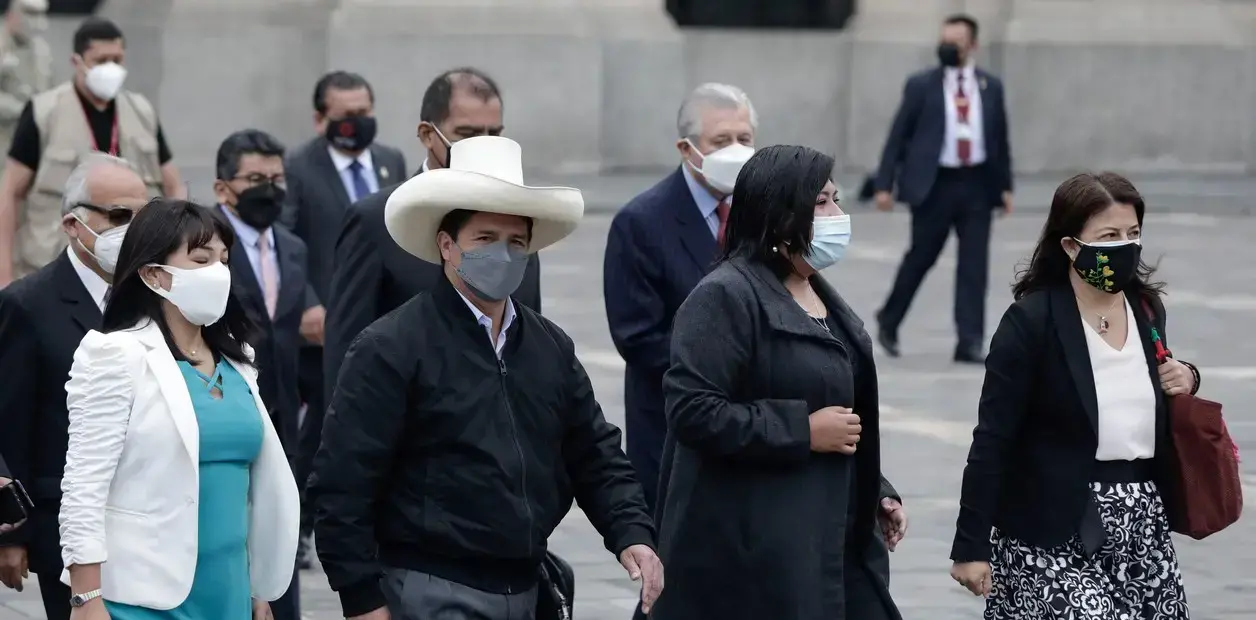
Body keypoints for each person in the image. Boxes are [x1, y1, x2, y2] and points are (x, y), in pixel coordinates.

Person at [310, 136, 662, 620]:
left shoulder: (548, 347)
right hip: (432, 587)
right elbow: (342, 481)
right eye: (485, 239)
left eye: (517, 242)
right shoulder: (391, 347)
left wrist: (632, 534)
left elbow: (594, 451)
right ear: (446, 245)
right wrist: (361, 598)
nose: (504, 254)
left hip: (527, 586)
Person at [652, 145, 906, 620]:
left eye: (838, 200)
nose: (838, 215)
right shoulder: (724, 297)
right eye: (822, 204)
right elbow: (693, 411)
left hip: (834, 537)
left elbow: (839, 411)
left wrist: (877, 490)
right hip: (757, 550)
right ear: (780, 215)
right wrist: (801, 431)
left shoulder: (818, 292)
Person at [949, 172, 1199, 619]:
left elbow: (1155, 383)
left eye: (1133, 233)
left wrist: (1188, 376)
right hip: (1050, 522)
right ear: (1070, 246)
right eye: (1109, 235)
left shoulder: (1145, 309)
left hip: (1140, 519)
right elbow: (993, 439)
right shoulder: (1030, 323)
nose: (1125, 246)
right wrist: (970, 544)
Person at [59, 198, 299, 619]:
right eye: (201, 259)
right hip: (143, 597)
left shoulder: (239, 361)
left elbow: (252, 485)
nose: (218, 272)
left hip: (229, 590)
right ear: (153, 274)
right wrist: (85, 597)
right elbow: (84, 485)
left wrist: (259, 589)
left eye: (224, 260)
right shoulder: (115, 353)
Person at [323, 67, 541, 404]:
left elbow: (531, 341)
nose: (481, 148)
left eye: (492, 135)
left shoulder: (518, 221)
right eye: (467, 135)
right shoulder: (376, 221)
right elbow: (345, 357)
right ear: (428, 134)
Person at [0, 153, 147, 619]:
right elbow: (9, 423)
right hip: (63, 525)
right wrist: (11, 534)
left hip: (149, 517)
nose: (135, 230)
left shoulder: (157, 296)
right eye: (121, 217)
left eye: (145, 217)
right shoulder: (27, 305)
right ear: (72, 223)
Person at [603, 82, 756, 517]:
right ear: (687, 149)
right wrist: (727, 368)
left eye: (744, 139)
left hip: (756, 434)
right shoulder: (641, 222)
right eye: (721, 141)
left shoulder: (766, 216)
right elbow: (637, 337)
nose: (736, 150)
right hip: (675, 430)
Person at [278, 70, 406, 568]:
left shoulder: (391, 162)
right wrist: (307, 302)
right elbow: (288, 243)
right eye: (346, 116)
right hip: (323, 325)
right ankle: (303, 522)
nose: (357, 124)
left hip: (386, 321)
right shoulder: (297, 168)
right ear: (320, 118)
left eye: (365, 113)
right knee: (318, 429)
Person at [0, 17, 184, 287]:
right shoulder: (44, 112)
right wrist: (4, 273)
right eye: (101, 61)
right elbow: (10, 193)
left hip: (132, 270)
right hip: (53, 268)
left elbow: (174, 187)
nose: (111, 68)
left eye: (117, 60)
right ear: (77, 62)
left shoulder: (141, 112)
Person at [871, 13, 1013, 364]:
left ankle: (969, 341)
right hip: (934, 185)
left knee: (973, 266)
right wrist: (884, 183)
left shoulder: (989, 86)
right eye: (944, 40)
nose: (948, 47)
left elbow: (999, 139)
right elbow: (898, 136)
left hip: (977, 184)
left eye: (956, 42)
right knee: (921, 256)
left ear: (973, 45)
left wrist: (1005, 186)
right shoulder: (922, 85)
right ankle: (889, 317)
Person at [214, 128, 313, 620]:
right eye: (255, 178)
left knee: (280, 545)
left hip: (283, 420)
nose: (269, 188)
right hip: (227, 412)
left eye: (276, 178)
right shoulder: (202, 247)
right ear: (223, 188)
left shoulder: (293, 247)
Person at [0, 0, 52, 173]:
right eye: (30, 13)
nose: (36, 21)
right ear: (11, 14)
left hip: (31, 147)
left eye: (40, 13)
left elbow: (48, 91)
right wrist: (23, 109)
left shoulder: (41, 50)